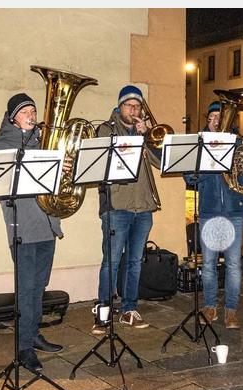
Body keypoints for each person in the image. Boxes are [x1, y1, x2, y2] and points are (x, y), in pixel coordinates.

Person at [0, 93, 64, 372]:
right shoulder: (1, 145)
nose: (32, 115)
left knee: (40, 285)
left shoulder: (45, 143)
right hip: (23, 227)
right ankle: (23, 347)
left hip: (48, 224)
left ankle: (33, 334)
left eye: (33, 110)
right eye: (26, 111)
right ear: (12, 117)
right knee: (26, 288)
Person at [92, 85, 161, 334]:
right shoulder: (106, 130)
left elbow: (160, 161)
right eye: (129, 105)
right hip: (117, 206)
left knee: (134, 262)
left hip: (143, 207)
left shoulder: (146, 134)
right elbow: (99, 164)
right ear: (119, 107)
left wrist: (147, 137)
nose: (134, 110)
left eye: (137, 106)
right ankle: (104, 311)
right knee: (110, 261)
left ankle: (129, 309)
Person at [184, 101, 243, 329]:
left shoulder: (239, 143)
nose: (217, 120)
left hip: (234, 210)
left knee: (233, 264)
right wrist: (200, 166)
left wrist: (235, 171)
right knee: (208, 264)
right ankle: (210, 306)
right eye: (212, 117)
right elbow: (189, 179)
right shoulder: (199, 144)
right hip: (209, 211)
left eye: (220, 116)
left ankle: (231, 311)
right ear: (207, 120)